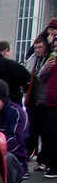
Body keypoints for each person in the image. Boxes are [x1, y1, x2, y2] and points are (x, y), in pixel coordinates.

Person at [23, 36, 52, 169]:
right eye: (35, 48)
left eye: (40, 47)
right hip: (32, 100)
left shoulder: (50, 59)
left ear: (46, 46)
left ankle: (43, 159)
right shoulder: (34, 59)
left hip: (44, 101)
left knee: (45, 132)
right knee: (32, 130)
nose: (37, 50)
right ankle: (27, 157)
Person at [37, 50, 57, 178]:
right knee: (51, 133)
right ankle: (51, 162)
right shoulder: (52, 61)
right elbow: (41, 78)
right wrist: (46, 67)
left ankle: (54, 165)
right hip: (50, 102)